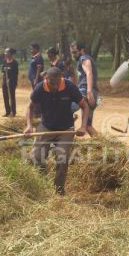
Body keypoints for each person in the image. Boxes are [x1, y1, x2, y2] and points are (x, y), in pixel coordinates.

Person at [25, 67, 89, 195]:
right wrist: (29, 125)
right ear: (46, 79)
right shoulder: (40, 88)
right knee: (37, 157)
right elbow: (30, 107)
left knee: (62, 158)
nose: (54, 86)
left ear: (61, 78)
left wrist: (83, 126)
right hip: (46, 126)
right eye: (51, 83)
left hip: (65, 129)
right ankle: (42, 185)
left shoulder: (69, 86)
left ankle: (59, 190)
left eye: (56, 82)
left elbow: (84, 106)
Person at [70, 41, 100, 137]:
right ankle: (102, 144)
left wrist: (89, 92)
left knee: (68, 108)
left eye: (75, 52)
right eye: (72, 52)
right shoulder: (83, 59)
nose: (73, 55)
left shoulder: (84, 58)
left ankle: (66, 132)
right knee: (87, 125)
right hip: (90, 91)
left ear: (81, 50)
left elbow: (89, 73)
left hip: (85, 91)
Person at [1, 47, 18, 117]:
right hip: (5, 81)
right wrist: (5, 69)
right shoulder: (5, 61)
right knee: (5, 96)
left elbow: (16, 73)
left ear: (10, 53)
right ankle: (7, 111)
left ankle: (13, 112)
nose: (5, 53)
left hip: (11, 82)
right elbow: (2, 69)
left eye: (6, 52)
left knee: (12, 97)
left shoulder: (14, 62)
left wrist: (12, 81)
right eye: (5, 52)